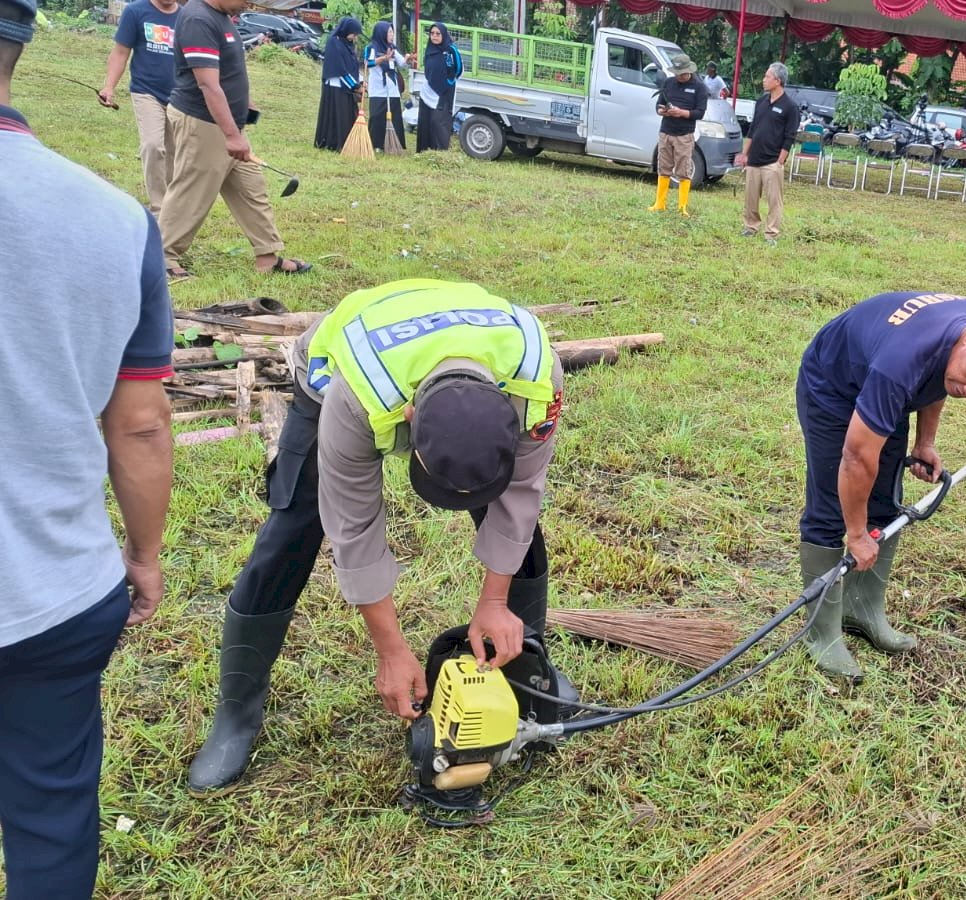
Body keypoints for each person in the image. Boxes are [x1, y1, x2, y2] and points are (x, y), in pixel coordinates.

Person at [187, 279, 572, 792]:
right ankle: (236, 715)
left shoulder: (537, 380)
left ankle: (524, 672)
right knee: (297, 523)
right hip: (338, 365)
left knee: (516, 521)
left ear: (511, 419)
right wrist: (390, 651)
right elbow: (355, 527)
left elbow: (519, 493)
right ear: (410, 422)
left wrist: (495, 602)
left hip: (453, 341)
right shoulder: (356, 399)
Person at [1, 0, 175, 891]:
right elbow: (139, 423)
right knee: (49, 817)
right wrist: (142, 554)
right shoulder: (114, 219)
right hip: (54, 591)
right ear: (20, 50)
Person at [795, 293, 966, 680]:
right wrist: (855, 534)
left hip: (889, 374)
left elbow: (941, 379)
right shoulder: (902, 361)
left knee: (885, 499)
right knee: (833, 505)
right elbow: (856, 458)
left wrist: (925, 442)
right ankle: (822, 634)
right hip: (834, 383)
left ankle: (862, 610)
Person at [159, 0, 310, 279]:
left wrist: (244, 105)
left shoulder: (222, 16)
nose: (246, 5)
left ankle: (268, 256)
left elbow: (229, 71)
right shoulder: (198, 19)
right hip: (203, 121)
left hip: (229, 123)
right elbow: (207, 83)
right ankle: (163, 257)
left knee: (251, 188)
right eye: (244, 0)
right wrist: (231, 134)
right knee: (192, 189)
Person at [97, 0, 180, 216]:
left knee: (175, 154)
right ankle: (159, 208)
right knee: (153, 145)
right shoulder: (136, 11)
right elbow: (121, 52)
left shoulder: (188, 17)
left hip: (180, 96)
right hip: (146, 91)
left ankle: (172, 209)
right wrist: (109, 87)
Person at [736, 62, 799, 246]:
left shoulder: (790, 106)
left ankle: (771, 233)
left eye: (767, 77)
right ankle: (750, 226)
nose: (764, 80)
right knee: (750, 197)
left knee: (774, 200)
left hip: (772, 161)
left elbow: (790, 136)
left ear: (778, 81)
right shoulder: (761, 101)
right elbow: (753, 129)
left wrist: (781, 160)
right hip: (754, 159)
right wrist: (744, 154)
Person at [649, 52, 706, 216]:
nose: (679, 77)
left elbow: (700, 113)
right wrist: (663, 111)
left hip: (684, 134)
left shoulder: (699, 88)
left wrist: (681, 112)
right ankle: (660, 204)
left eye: (682, 74)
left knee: (683, 170)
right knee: (663, 167)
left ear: (689, 71)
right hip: (666, 131)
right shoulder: (668, 83)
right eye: (677, 73)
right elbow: (658, 105)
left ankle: (682, 207)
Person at [313, 17, 363, 151]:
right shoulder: (333, 43)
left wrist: (361, 82)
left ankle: (348, 142)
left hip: (347, 86)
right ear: (346, 30)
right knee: (338, 116)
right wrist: (356, 86)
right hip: (336, 86)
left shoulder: (348, 44)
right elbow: (340, 69)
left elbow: (353, 66)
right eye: (354, 34)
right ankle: (334, 143)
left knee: (347, 115)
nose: (355, 37)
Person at [415, 22, 461, 153]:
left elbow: (458, 69)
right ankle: (424, 151)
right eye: (432, 33)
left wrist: (449, 82)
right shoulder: (429, 49)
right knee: (426, 120)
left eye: (438, 34)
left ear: (443, 34)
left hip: (444, 91)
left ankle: (440, 152)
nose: (434, 36)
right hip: (429, 89)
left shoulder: (451, 50)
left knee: (438, 121)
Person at [364, 20, 406, 152]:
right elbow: (368, 63)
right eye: (389, 32)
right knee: (377, 116)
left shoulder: (392, 48)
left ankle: (393, 144)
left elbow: (402, 63)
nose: (392, 34)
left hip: (392, 88)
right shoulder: (372, 48)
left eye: (392, 32)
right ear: (381, 33)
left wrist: (408, 59)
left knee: (394, 116)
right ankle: (377, 144)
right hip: (377, 88)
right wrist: (383, 58)